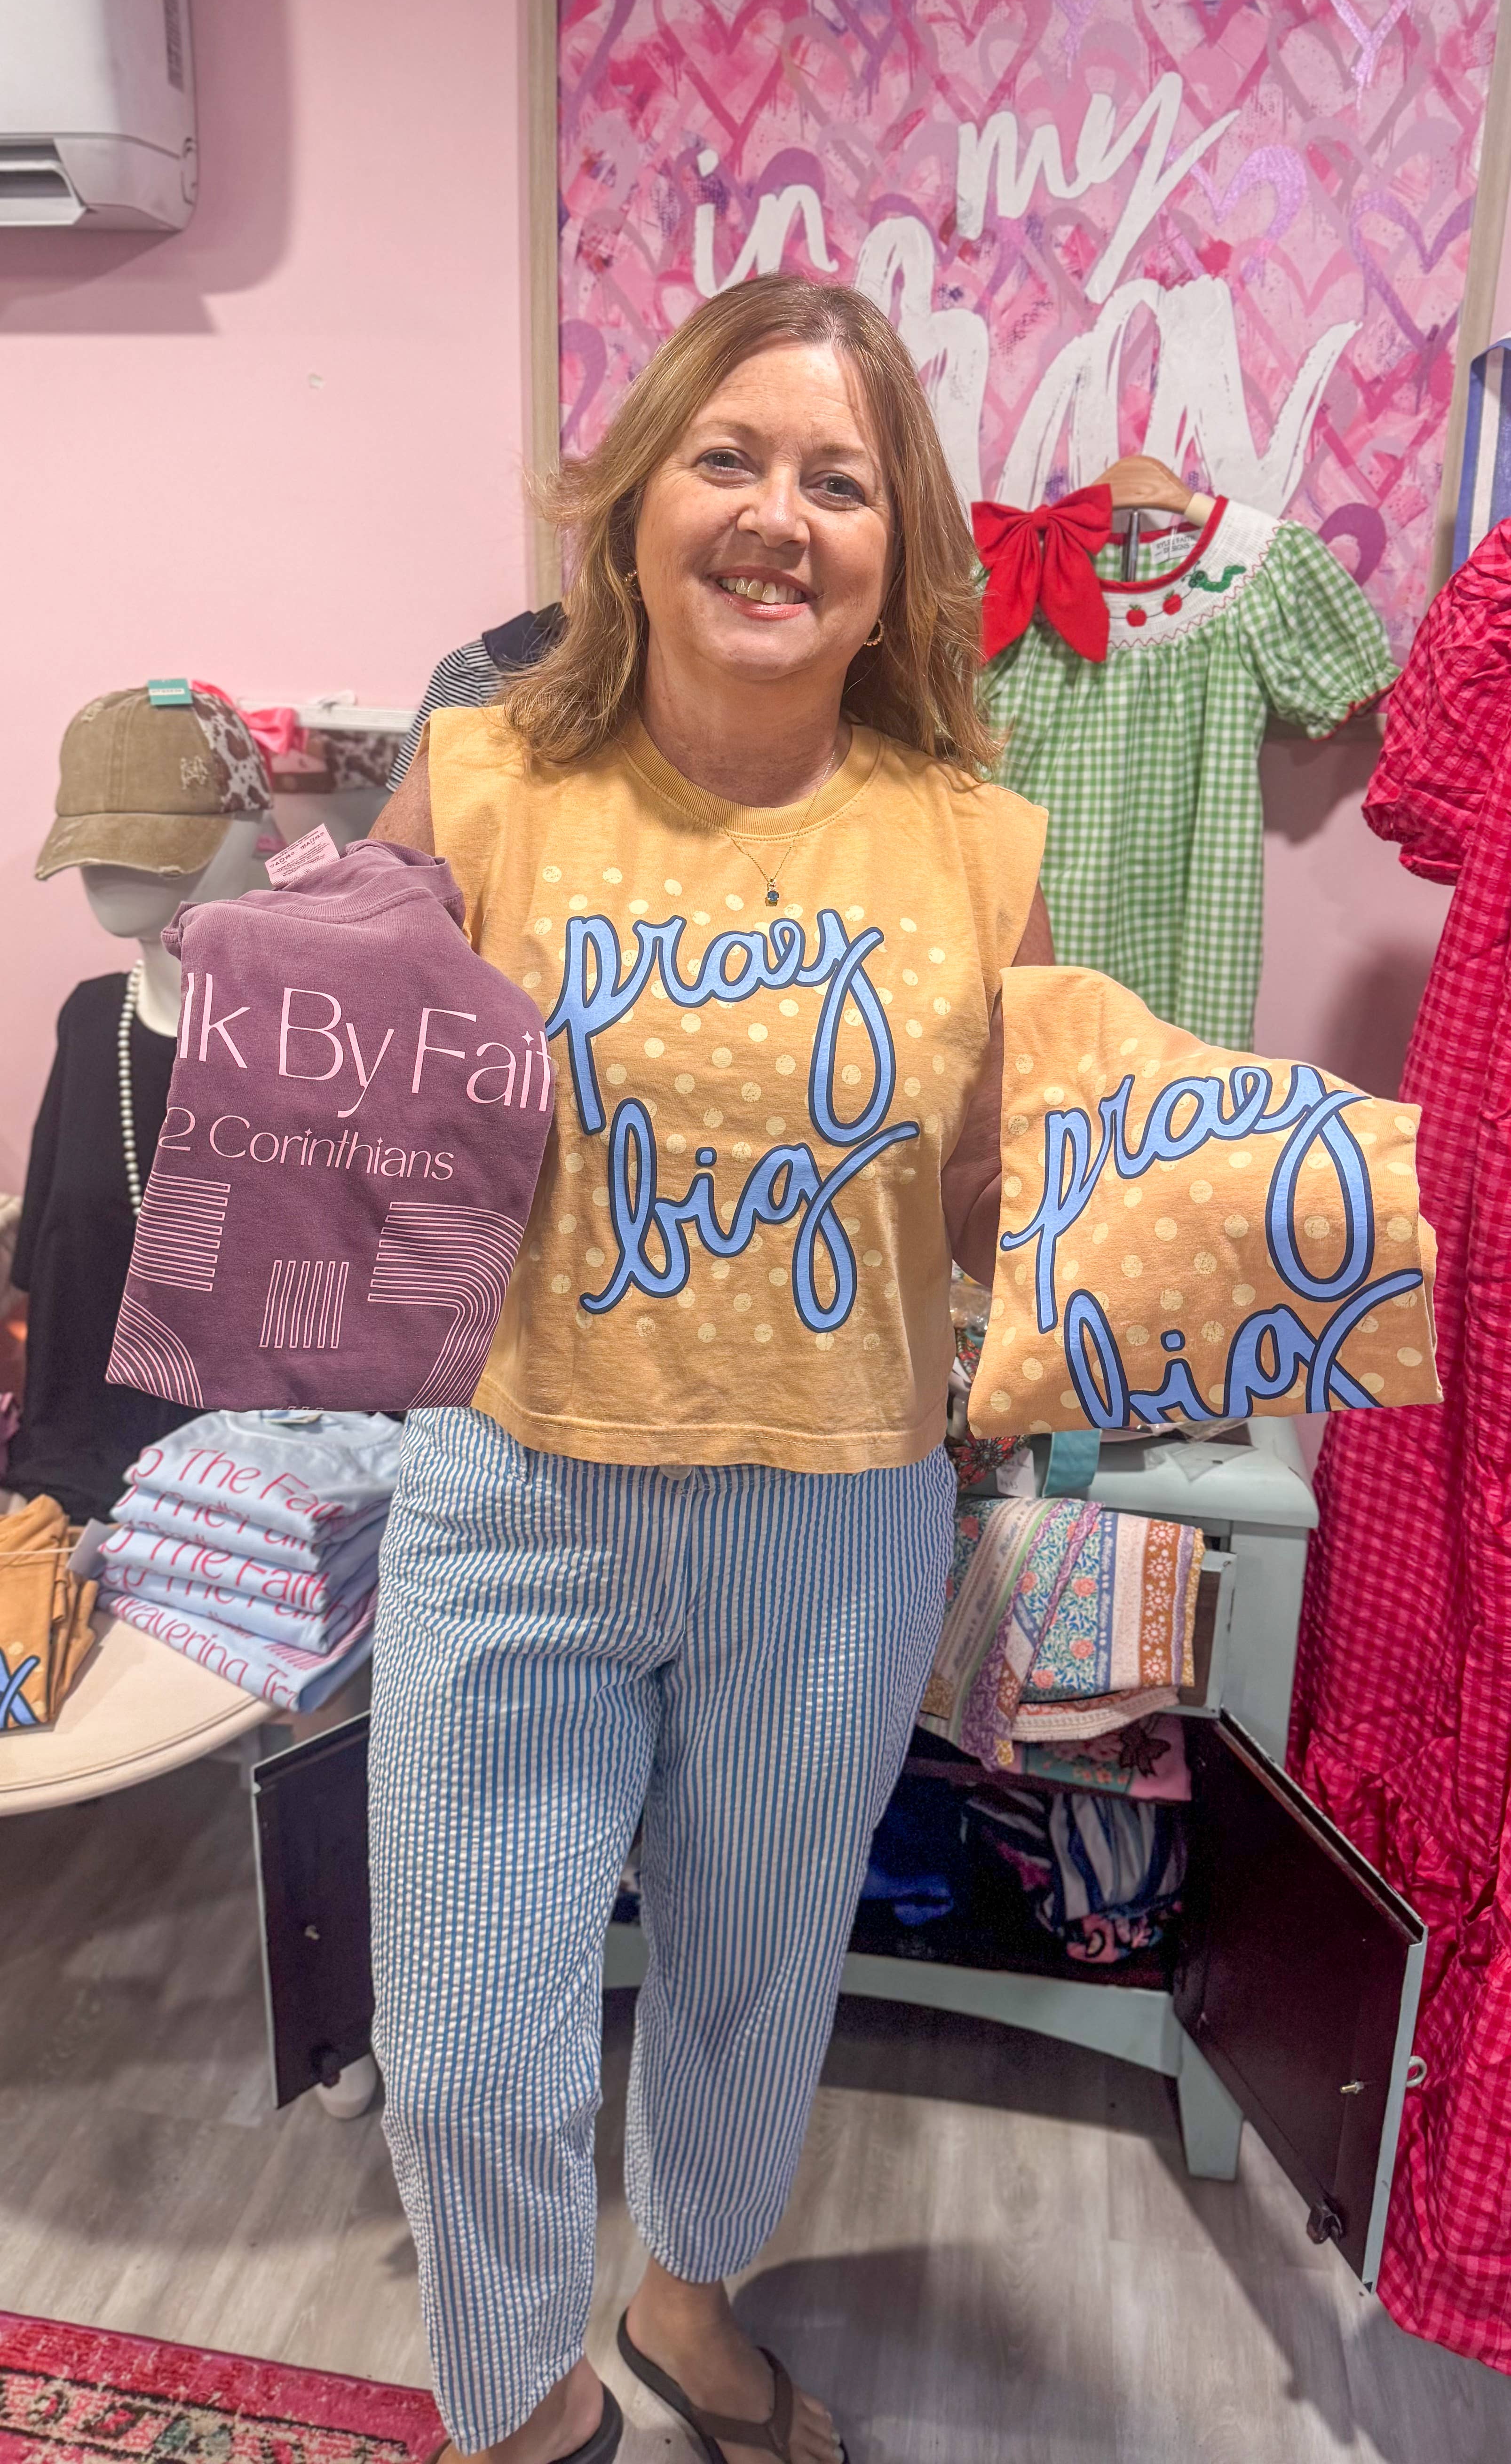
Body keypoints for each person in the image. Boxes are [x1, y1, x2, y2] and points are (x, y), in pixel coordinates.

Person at [367, 273, 1053, 2464]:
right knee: (465, 2042)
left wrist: (1159, 1247)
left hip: (836, 1520)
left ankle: (686, 2308)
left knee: (757, 1991)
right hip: (517, 1491)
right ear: (636, 503)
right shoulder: (479, 784)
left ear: (895, 554)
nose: (777, 516)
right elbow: (349, 1132)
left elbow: (990, 1189)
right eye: (727, 458)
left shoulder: (975, 840)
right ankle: (525, 2405)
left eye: (838, 481)